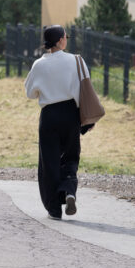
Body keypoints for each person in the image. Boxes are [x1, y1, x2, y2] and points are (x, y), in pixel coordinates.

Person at [24, 25, 91, 220]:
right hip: (71, 114)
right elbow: (85, 89)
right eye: (65, 37)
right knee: (71, 157)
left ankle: (54, 208)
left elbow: (29, 93)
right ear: (61, 40)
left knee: (49, 162)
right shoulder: (76, 61)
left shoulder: (39, 65)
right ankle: (69, 190)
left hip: (49, 115)